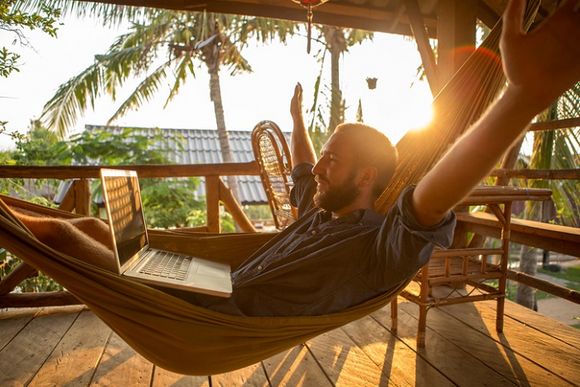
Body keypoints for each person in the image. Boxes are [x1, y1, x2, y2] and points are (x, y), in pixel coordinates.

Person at [15, 0, 580, 316]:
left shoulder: (378, 244)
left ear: (365, 177)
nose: (318, 169)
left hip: (218, 316)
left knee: (68, 237)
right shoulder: (321, 208)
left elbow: (432, 197)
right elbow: (307, 167)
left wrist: (522, 97)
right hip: (219, 281)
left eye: (335, 160)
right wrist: (296, 116)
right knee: (92, 225)